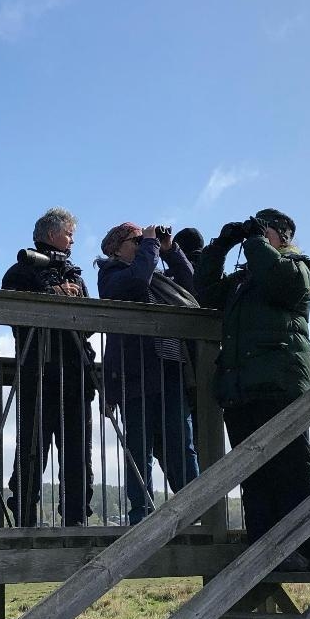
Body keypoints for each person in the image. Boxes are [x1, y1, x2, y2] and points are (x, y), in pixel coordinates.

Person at [195, 208, 310, 571]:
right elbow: (205, 291)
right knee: (253, 473)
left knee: (290, 467)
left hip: (280, 383)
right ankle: (262, 547)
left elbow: (285, 284)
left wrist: (256, 242)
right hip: (241, 386)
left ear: (282, 236)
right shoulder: (242, 281)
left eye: (264, 232)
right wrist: (221, 244)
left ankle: (298, 544)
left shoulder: (300, 266)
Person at [97, 222, 201, 525]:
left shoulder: (158, 275)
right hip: (134, 374)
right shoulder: (111, 275)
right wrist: (152, 245)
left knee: (182, 445)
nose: (144, 245)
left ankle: (196, 506)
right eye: (137, 241)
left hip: (169, 370)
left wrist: (172, 249)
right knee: (138, 448)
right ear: (117, 247)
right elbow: (137, 280)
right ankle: (141, 514)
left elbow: (189, 284)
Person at [2, 207, 95, 527]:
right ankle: (26, 514)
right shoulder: (23, 269)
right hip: (37, 371)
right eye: (68, 233)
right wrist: (50, 294)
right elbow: (11, 309)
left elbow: (91, 324)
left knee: (78, 453)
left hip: (75, 372)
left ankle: (76, 517)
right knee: (32, 447)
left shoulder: (75, 275)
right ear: (51, 234)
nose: (72, 240)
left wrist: (74, 300)